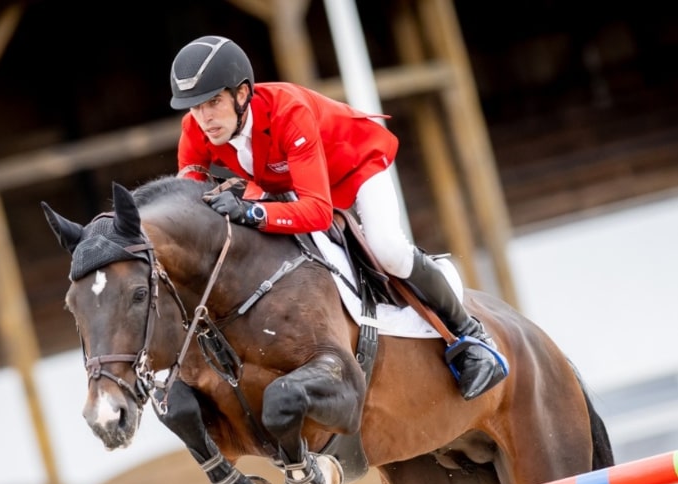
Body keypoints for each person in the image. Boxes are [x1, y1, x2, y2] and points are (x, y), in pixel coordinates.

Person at [169, 34, 507, 401]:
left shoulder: (288, 112)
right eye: (195, 107)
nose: (204, 118)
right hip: (287, 181)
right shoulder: (196, 129)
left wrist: (252, 210)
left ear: (242, 94)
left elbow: (316, 211)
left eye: (213, 102)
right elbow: (189, 206)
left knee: (388, 248)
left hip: (355, 167)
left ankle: (471, 335)